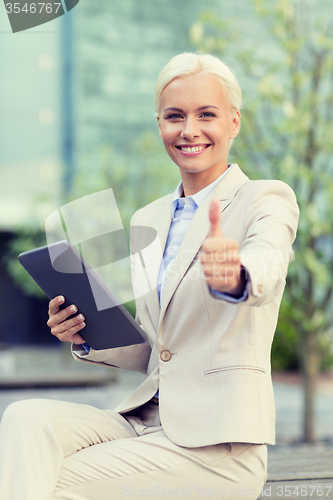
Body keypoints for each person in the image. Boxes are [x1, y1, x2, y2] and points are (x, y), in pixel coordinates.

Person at [0, 52, 299, 500]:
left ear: (233, 123)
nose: (189, 129)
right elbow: (155, 349)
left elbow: (269, 264)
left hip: (217, 448)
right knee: (23, 420)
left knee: (47, 481)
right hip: (143, 422)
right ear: (159, 124)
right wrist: (84, 333)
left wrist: (234, 274)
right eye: (174, 116)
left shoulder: (265, 199)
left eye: (207, 115)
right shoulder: (151, 218)